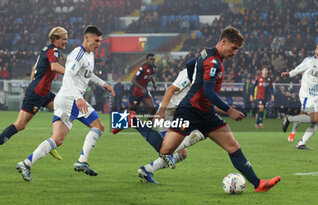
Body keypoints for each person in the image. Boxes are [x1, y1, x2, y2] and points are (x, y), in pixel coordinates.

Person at [120, 26, 281, 192]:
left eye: (237, 50)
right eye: (234, 48)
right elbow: (208, 91)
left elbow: (191, 65)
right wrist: (229, 110)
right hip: (189, 111)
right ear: (223, 42)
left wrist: (196, 76)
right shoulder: (213, 62)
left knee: (232, 146)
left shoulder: (207, 54)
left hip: (206, 113)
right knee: (166, 150)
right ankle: (134, 121)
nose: (235, 53)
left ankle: (258, 184)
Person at [16, 25, 115, 182]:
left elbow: (87, 74)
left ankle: (26, 164)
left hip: (71, 98)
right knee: (97, 126)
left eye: (100, 41)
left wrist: (103, 83)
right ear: (87, 38)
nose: (98, 44)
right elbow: (68, 76)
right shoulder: (78, 54)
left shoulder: (90, 55)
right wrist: (78, 97)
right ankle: (81, 161)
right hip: (70, 98)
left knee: (58, 139)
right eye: (96, 40)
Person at [0, 26, 68, 164]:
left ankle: (52, 142)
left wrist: (34, 83)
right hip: (36, 94)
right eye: (64, 39)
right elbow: (54, 67)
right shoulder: (53, 50)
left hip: (43, 93)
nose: (66, 41)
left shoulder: (45, 50)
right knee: (20, 125)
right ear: (55, 39)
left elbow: (34, 68)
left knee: (64, 110)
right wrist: (71, 74)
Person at [137, 65, 204, 183]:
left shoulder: (204, 77)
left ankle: (146, 170)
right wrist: (162, 110)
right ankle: (132, 121)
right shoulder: (189, 72)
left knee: (182, 153)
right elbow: (171, 90)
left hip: (179, 113)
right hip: (169, 111)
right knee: (174, 145)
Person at [281, 44, 318, 149]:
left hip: (317, 97)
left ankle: (301, 143)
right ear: (315, 50)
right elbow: (298, 69)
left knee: (315, 123)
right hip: (307, 95)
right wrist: (289, 74)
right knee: (315, 119)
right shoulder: (310, 60)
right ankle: (289, 118)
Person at [129, 53, 157, 117]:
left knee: (152, 108)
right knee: (132, 108)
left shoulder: (154, 68)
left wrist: (154, 84)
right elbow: (133, 80)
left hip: (144, 90)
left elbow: (150, 77)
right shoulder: (142, 68)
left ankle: (148, 125)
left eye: (153, 59)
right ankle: (125, 120)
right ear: (147, 60)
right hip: (136, 90)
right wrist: (141, 88)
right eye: (150, 59)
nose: (152, 61)